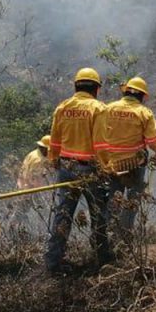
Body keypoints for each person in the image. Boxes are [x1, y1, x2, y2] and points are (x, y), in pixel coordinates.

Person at [43, 67, 111, 274]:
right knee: (99, 215)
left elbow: (54, 141)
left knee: (62, 215)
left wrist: (54, 161)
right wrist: (106, 167)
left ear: (75, 86)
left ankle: (53, 264)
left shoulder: (63, 107)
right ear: (97, 89)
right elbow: (100, 144)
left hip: (66, 168)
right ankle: (102, 259)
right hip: (90, 168)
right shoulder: (99, 109)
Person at [96, 76, 156, 243]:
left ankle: (110, 236)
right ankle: (125, 236)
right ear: (142, 96)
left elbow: (98, 135)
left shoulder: (108, 108)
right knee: (132, 200)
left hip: (111, 164)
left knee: (114, 198)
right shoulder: (144, 113)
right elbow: (153, 143)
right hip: (135, 165)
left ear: (125, 91)